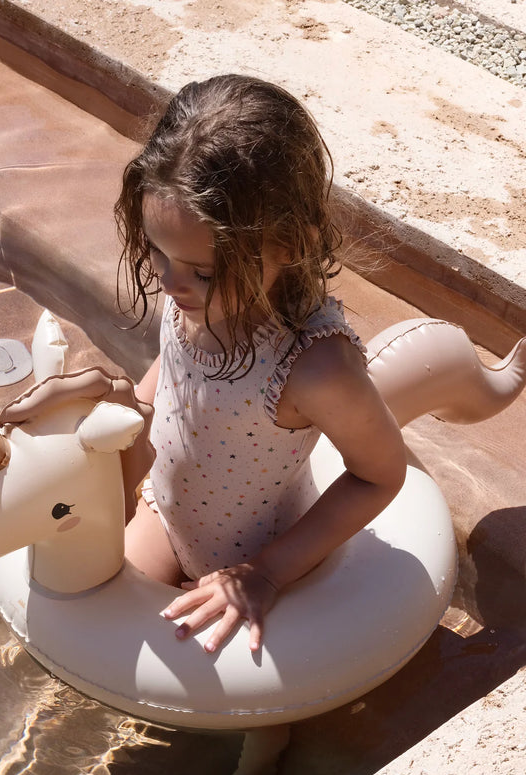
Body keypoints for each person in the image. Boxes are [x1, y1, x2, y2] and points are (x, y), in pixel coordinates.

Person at [114, 73, 407, 658]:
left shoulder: (314, 367)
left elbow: (379, 474)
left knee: (246, 697)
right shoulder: (197, 290)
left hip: (257, 549)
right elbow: (175, 367)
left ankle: (268, 745)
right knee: (109, 625)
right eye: (157, 252)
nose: (170, 282)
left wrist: (268, 573)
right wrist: (134, 410)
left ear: (289, 244)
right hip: (167, 513)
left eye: (199, 270)